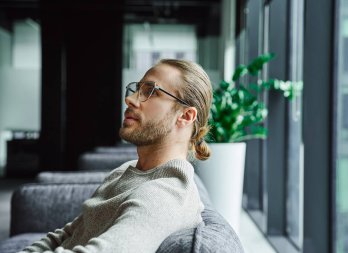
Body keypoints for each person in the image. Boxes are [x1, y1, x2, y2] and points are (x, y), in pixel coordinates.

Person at [19, 59, 213, 253]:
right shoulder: (126, 170)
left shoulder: (164, 196)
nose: (130, 99)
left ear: (186, 116)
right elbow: (66, 235)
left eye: (150, 91)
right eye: (137, 89)